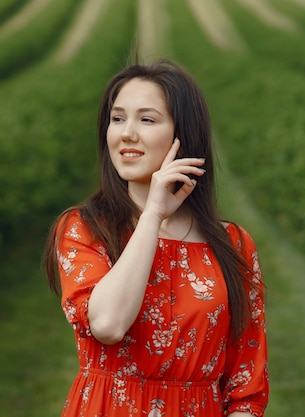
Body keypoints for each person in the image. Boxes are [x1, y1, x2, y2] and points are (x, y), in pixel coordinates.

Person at [43, 59, 268, 417]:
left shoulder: (234, 244)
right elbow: (108, 324)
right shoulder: (85, 228)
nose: (126, 134)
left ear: (185, 135)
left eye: (147, 120)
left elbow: (246, 386)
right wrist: (152, 216)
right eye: (117, 119)